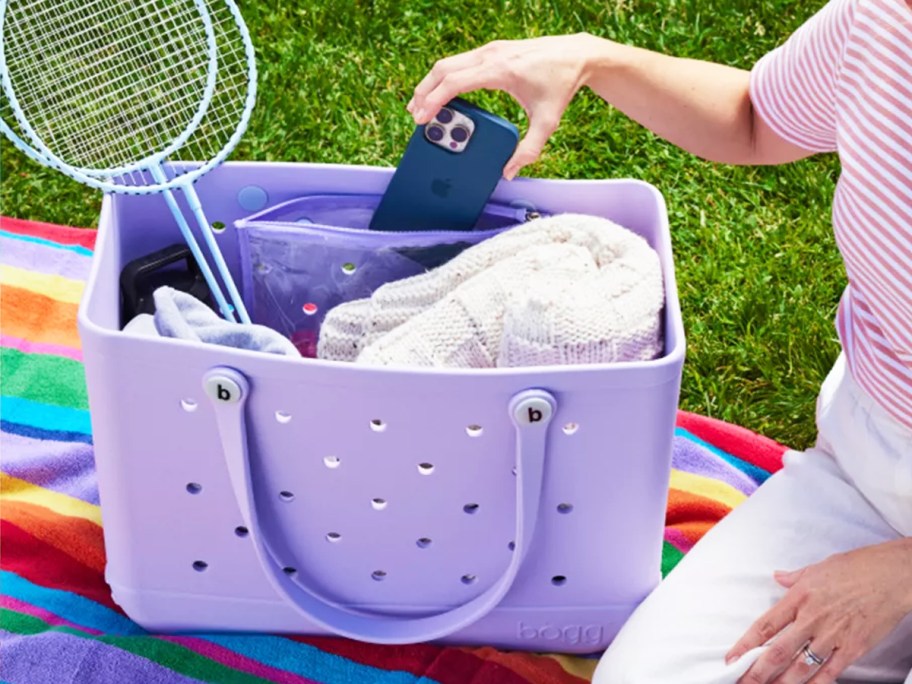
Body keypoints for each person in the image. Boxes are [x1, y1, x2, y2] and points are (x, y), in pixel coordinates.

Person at [407, 1, 912, 682]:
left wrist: (900, 576)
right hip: (870, 470)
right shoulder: (883, 19)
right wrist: (594, 58)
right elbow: (756, 119)